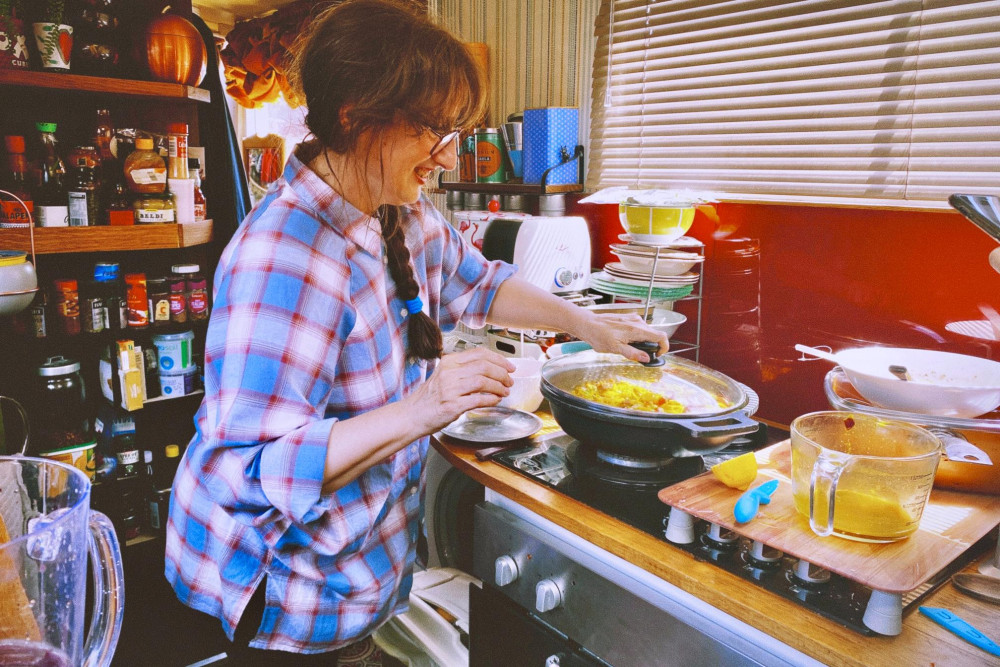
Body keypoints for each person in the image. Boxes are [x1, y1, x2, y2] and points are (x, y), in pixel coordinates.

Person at [164, 0, 668, 662]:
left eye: (456, 130)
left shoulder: (392, 206)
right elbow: (254, 470)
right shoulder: (285, 256)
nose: (449, 154)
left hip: (355, 575)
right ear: (355, 117)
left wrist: (588, 323)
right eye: (434, 129)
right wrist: (422, 407)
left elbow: (479, 283)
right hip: (283, 593)